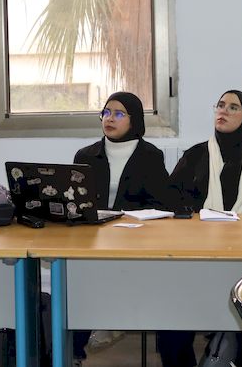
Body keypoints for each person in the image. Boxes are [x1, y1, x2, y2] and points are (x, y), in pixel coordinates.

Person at [168, 89, 242, 367]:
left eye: (233, 107)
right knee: (172, 321)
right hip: (197, 253)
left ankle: (230, 353)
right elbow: (171, 200)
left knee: (240, 323)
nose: (223, 111)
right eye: (220, 105)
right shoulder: (195, 156)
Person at [73, 91, 174, 363]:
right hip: (93, 236)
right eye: (106, 112)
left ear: (134, 120)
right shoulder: (86, 155)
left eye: (119, 114)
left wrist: (128, 220)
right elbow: (77, 200)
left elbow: (161, 203)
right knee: (77, 277)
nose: (110, 119)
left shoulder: (150, 156)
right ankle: (73, 349)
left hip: (134, 238)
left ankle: (111, 316)